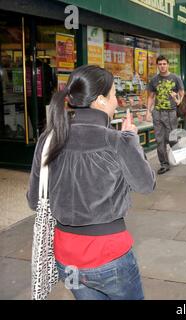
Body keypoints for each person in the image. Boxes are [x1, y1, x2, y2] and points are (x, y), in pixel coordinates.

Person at [26, 65, 156, 300]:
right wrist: (132, 140)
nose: (117, 101)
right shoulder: (116, 140)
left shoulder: (48, 139)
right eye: (114, 95)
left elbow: (35, 200)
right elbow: (146, 185)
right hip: (109, 255)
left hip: (66, 257)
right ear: (100, 100)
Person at [146, 55, 185, 174]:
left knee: (171, 137)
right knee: (159, 140)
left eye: (164, 64)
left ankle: (177, 153)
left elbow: (182, 92)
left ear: (168, 64)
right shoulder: (154, 79)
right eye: (160, 64)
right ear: (157, 65)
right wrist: (148, 111)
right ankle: (164, 164)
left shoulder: (175, 78)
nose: (162, 66)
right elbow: (151, 96)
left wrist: (178, 100)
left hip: (171, 112)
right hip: (157, 112)